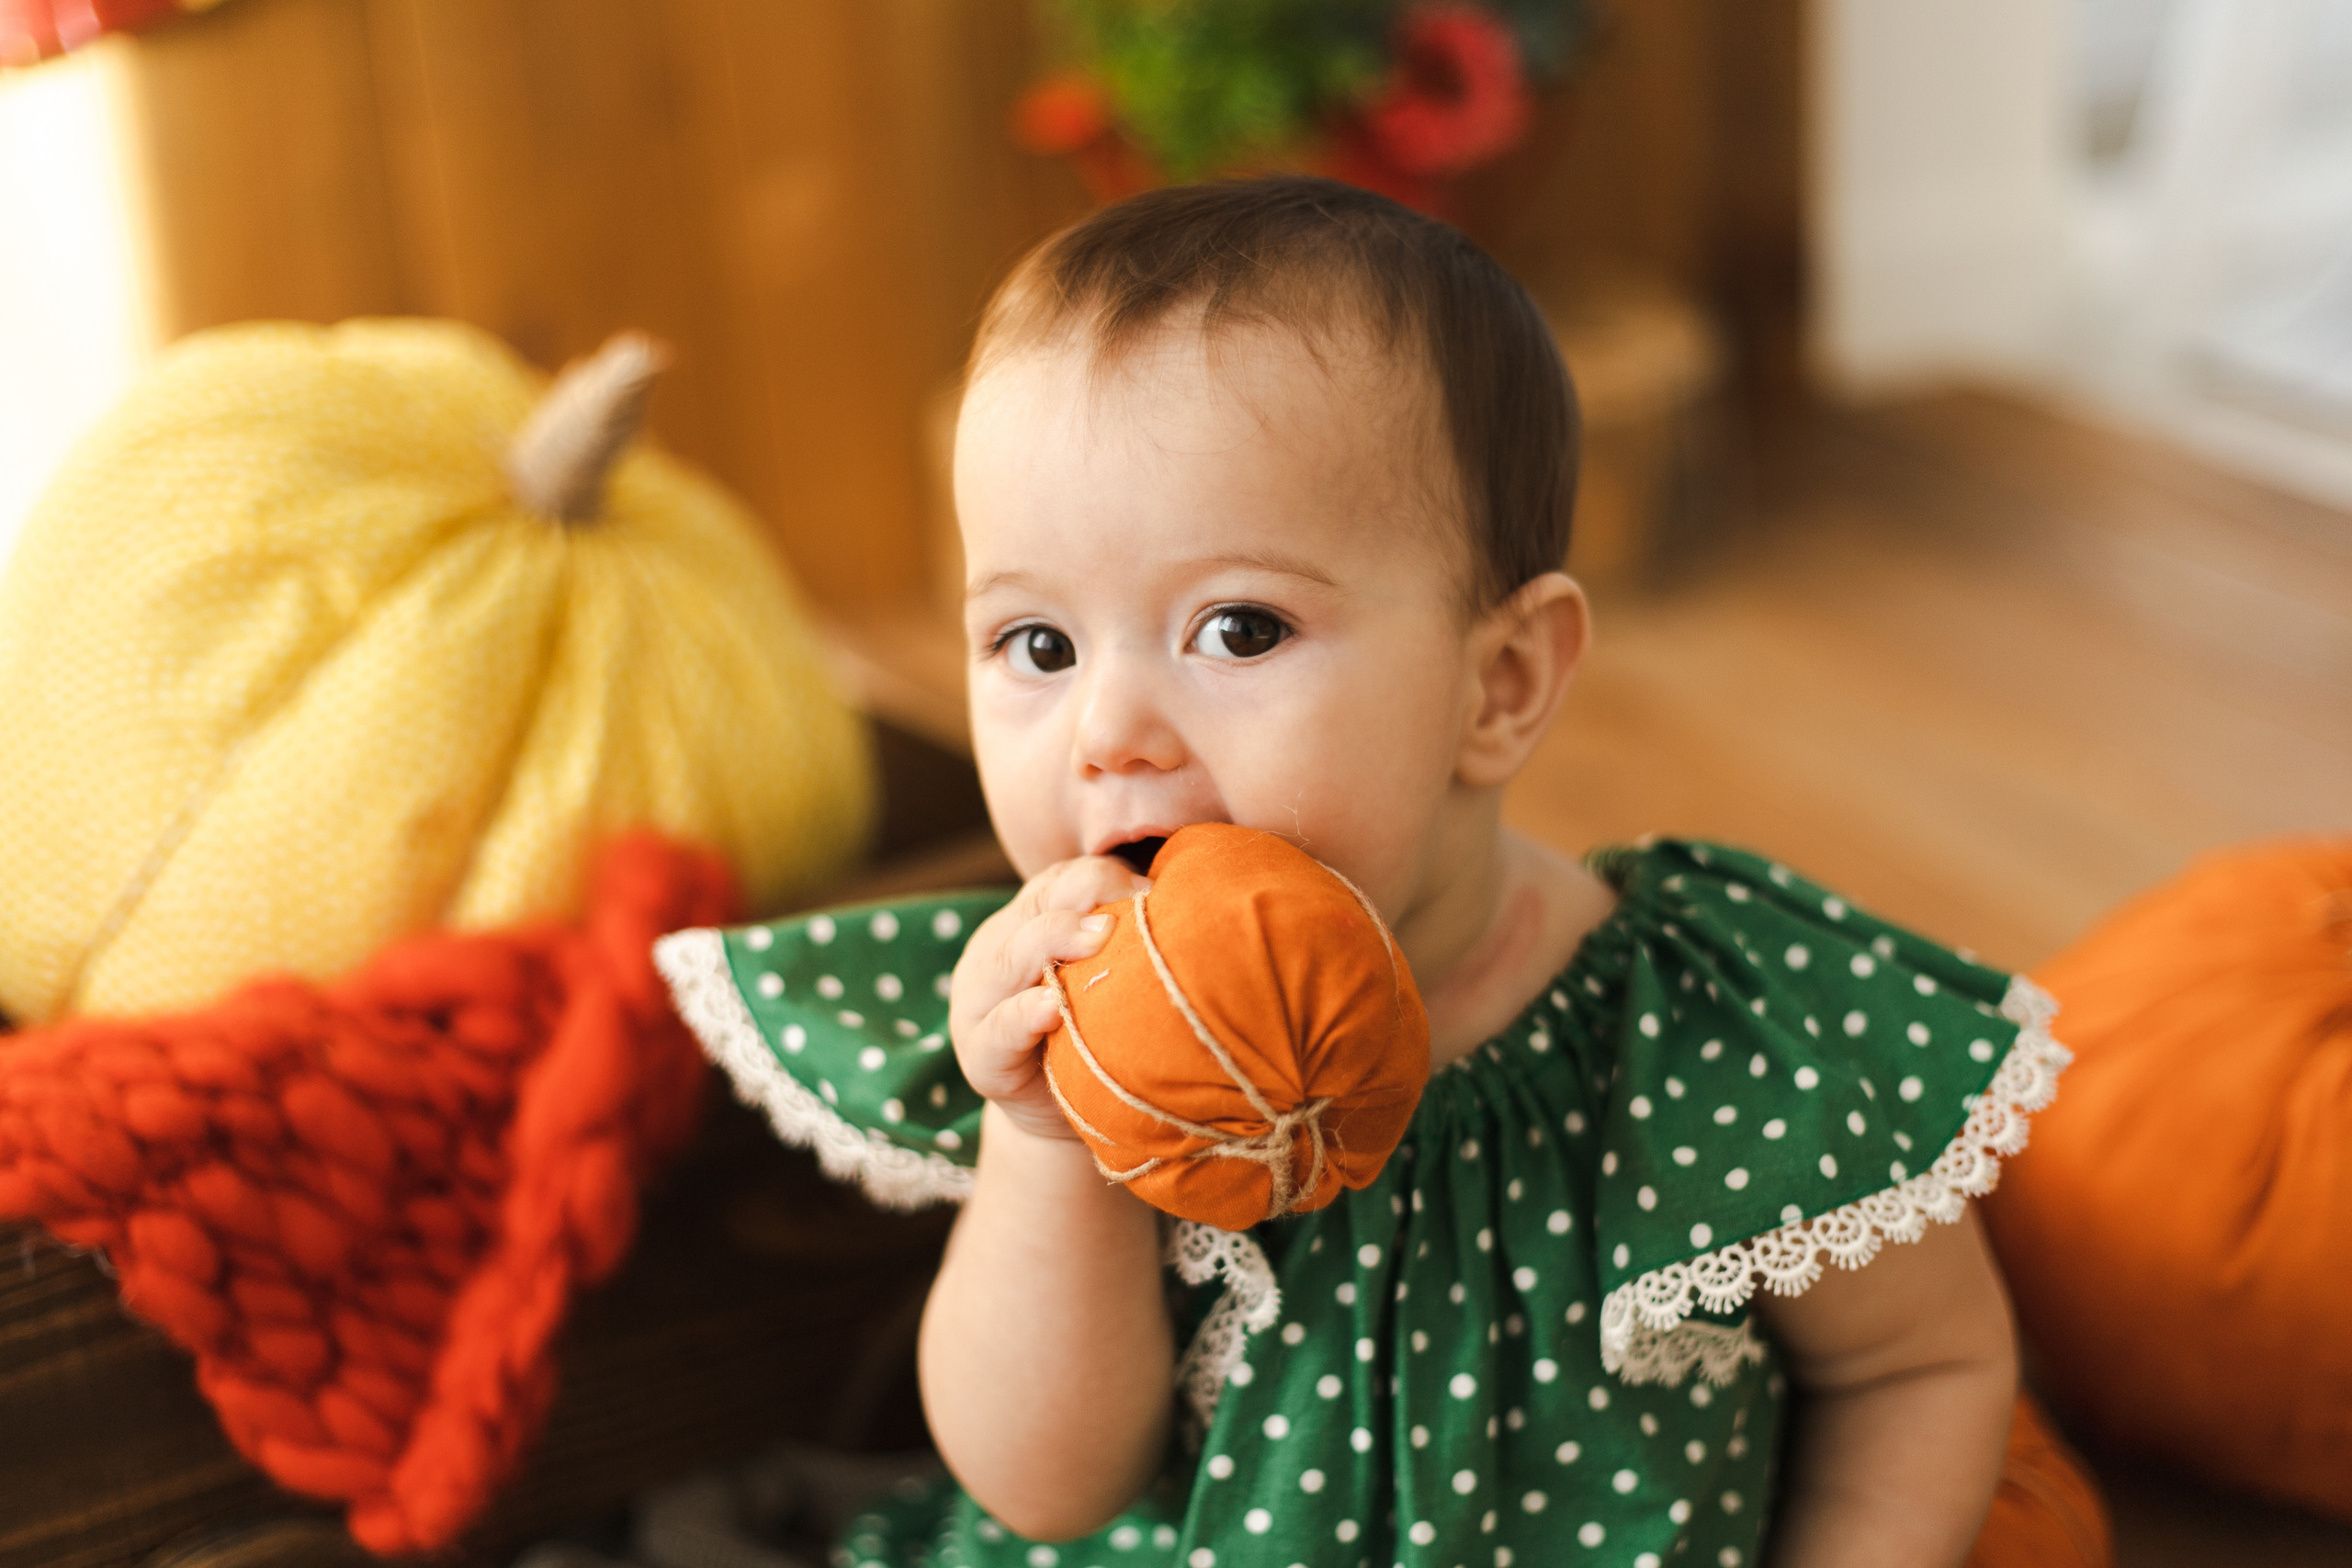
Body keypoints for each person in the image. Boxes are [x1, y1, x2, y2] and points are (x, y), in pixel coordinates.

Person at [655, 175, 2069, 1568]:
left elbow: (1918, 1367)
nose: (1107, 732)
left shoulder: (1701, 1033)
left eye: (1239, 630)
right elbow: (1047, 1489)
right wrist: (1046, 1146)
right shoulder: (1090, 1049)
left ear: (1498, 685)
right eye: (1039, 646)